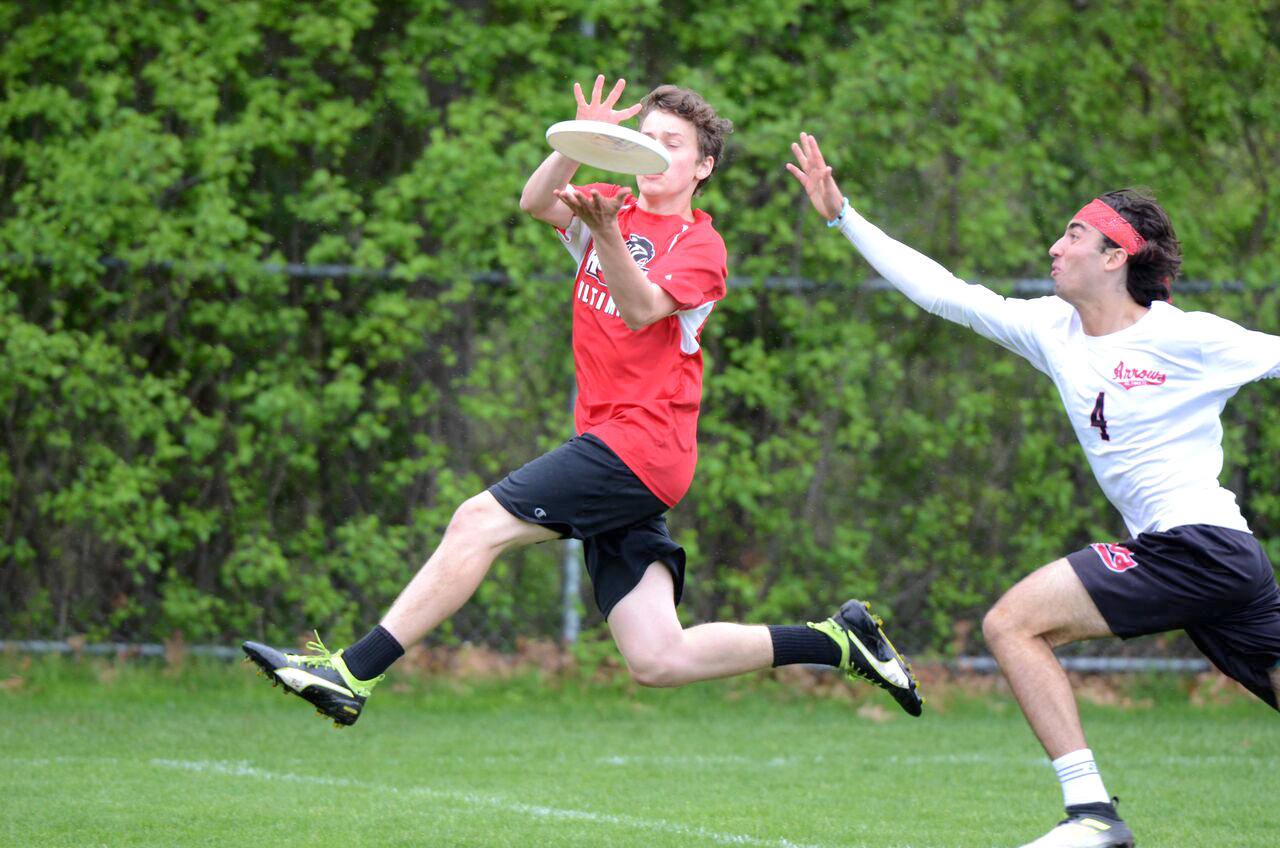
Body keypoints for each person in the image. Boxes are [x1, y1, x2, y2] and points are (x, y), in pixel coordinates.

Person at [241, 80, 923, 728]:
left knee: (477, 522)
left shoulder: (700, 247)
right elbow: (535, 200)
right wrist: (579, 139)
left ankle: (351, 674)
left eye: (675, 142)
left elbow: (638, 308)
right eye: (646, 136)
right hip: (615, 444)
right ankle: (838, 640)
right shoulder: (608, 204)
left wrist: (604, 236)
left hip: (642, 448)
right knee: (659, 657)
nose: (655, 149)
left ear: (703, 167)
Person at [787, 131, 1280, 848]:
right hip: (1209, 559)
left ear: (1116, 256)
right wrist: (842, 215)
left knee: (1010, 625)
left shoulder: (1189, 337)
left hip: (1203, 547)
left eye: (1074, 234)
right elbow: (942, 294)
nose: (1055, 245)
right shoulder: (1053, 328)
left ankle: (1092, 816)